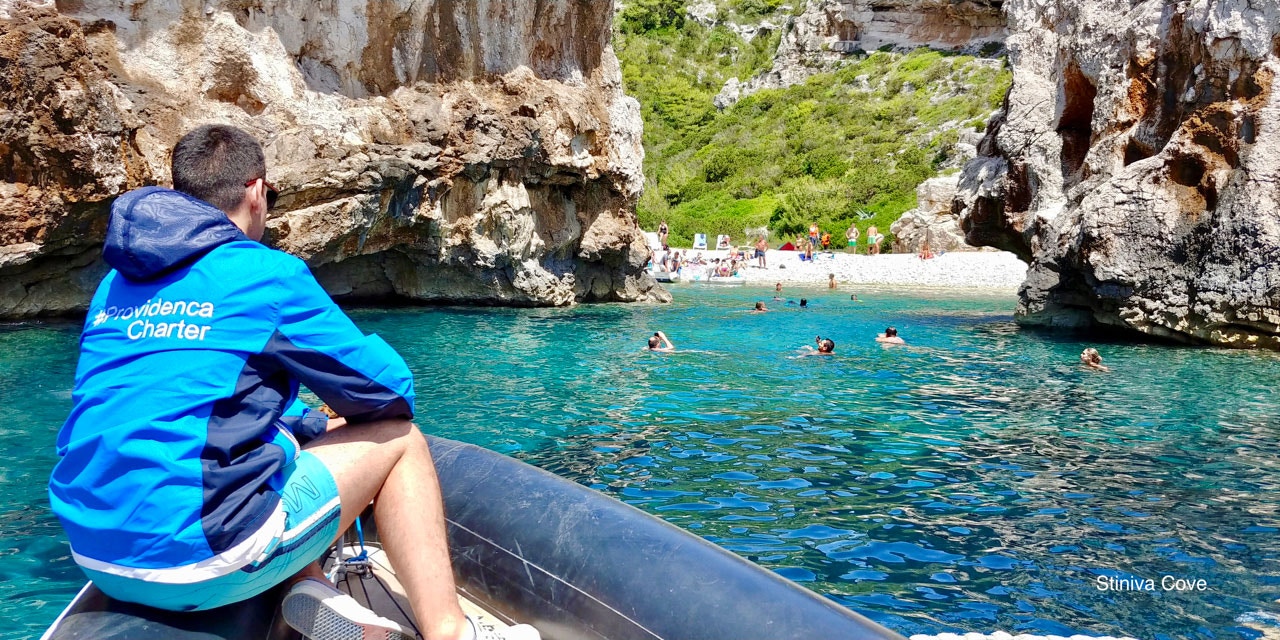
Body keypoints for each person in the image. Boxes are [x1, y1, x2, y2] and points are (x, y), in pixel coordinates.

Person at [48, 125, 537, 640]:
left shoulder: (115, 284)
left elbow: (186, 407)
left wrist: (306, 424)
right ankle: (453, 633)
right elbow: (388, 392)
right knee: (399, 440)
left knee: (281, 443)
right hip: (200, 557)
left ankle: (310, 585)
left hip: (93, 551)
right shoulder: (265, 273)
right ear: (256, 191)